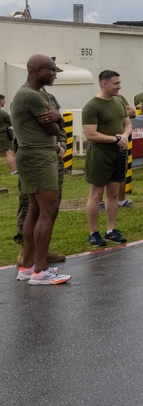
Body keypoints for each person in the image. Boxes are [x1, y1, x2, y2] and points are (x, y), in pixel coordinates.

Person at [10, 55, 70, 285]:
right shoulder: (31, 96)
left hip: (39, 155)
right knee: (48, 210)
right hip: (37, 156)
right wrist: (59, 120)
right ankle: (40, 271)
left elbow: (53, 123)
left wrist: (57, 118)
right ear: (36, 69)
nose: (55, 73)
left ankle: (28, 266)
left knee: (35, 210)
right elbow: (52, 128)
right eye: (52, 70)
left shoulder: (40, 93)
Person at [81, 70, 131, 246]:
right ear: (104, 84)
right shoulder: (92, 106)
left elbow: (127, 124)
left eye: (119, 82)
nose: (119, 86)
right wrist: (115, 139)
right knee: (96, 194)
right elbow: (90, 134)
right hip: (100, 154)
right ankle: (93, 233)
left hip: (117, 154)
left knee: (114, 193)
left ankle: (110, 230)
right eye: (116, 83)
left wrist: (124, 135)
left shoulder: (118, 101)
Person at [0, 94, 15, 175]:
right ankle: (14, 171)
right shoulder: (3, 113)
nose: (4, 102)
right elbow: (12, 122)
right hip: (2, 135)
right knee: (9, 152)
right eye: (3, 100)